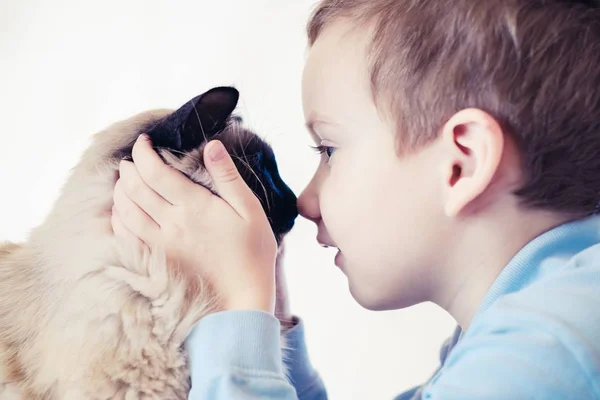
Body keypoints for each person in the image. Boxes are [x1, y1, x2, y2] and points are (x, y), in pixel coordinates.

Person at [110, 0, 600, 398]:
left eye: (328, 149)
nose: (304, 202)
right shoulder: (540, 326)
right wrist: (269, 323)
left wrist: (235, 310)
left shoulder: (548, 349)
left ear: (462, 163)